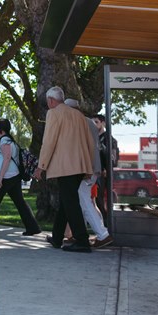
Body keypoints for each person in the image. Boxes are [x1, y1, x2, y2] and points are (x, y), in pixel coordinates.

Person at [34, 86, 97, 252]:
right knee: (66, 201)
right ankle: (56, 237)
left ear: (51, 100)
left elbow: (49, 141)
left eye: (47, 101)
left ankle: (82, 240)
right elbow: (91, 143)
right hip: (80, 165)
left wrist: (41, 166)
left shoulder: (53, 113)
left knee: (70, 202)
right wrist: (88, 167)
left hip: (65, 166)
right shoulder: (79, 115)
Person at [65, 99, 112, 249]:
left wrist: (86, 169)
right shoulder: (88, 122)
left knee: (85, 201)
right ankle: (82, 235)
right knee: (83, 201)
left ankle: (102, 234)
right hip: (92, 168)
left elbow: (85, 147)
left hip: (87, 169)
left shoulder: (78, 124)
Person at [93, 114, 117, 217]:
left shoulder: (109, 139)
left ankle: (105, 223)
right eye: (92, 122)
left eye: (96, 122)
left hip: (102, 174)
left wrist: (107, 169)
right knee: (93, 199)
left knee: (99, 199)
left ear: (103, 123)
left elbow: (113, 158)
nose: (93, 125)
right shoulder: (93, 138)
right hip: (93, 173)